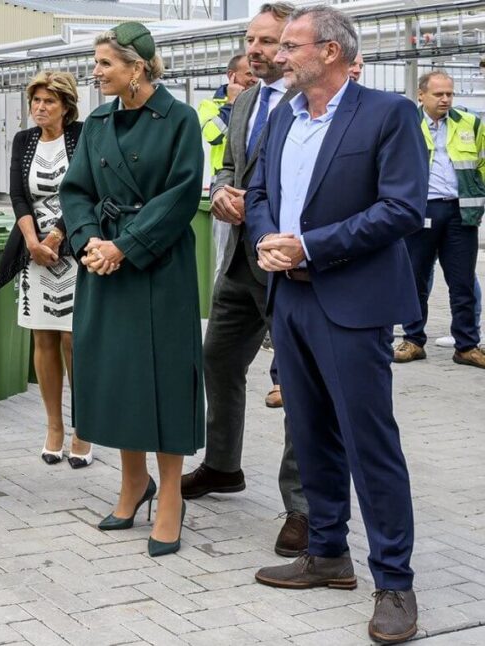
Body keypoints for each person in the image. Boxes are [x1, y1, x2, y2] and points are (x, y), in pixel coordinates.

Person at [246, 6, 423, 643]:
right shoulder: (282, 116)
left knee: (368, 441)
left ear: (329, 51)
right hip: (288, 297)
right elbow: (259, 190)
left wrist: (310, 246)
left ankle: (395, 583)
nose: (278, 56)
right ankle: (326, 554)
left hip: (350, 300)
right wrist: (268, 237)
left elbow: (402, 206)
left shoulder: (387, 113)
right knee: (309, 430)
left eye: (290, 46)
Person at [61, 22, 203, 554]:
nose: (95, 73)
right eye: (96, 64)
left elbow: (184, 193)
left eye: (104, 64)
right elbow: (75, 190)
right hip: (104, 264)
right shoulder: (97, 121)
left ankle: (169, 495)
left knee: (163, 377)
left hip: (157, 263)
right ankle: (131, 482)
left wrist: (127, 246)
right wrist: (91, 241)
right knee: (117, 375)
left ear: (137, 67)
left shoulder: (179, 119)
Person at [180, 2, 310, 558]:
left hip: (291, 264)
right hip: (239, 261)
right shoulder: (247, 101)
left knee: (298, 383)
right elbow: (231, 166)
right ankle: (223, 465)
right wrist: (221, 192)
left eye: (266, 41)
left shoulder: (313, 106)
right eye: (249, 39)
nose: (254, 50)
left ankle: (303, 507)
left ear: (291, 46)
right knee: (219, 359)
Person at [5, 70, 91, 468]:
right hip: (34, 251)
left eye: (48, 102)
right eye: (35, 101)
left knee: (74, 339)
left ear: (66, 106)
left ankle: (82, 428)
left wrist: (55, 238)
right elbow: (19, 195)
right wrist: (32, 243)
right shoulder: (24, 141)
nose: (40, 108)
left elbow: (88, 191)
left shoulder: (82, 136)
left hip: (72, 248)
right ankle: (54, 426)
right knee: (43, 339)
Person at [393, 71, 485, 369]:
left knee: (462, 282)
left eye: (449, 94)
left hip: (461, 212)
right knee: (415, 278)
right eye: (438, 94)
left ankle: (467, 345)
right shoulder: (407, 125)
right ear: (421, 95)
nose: (445, 99)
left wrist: (478, 194)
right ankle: (413, 340)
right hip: (421, 211)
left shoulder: (469, 123)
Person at [198, 54, 256, 181]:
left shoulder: (262, 103)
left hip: (254, 179)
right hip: (225, 182)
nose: (255, 79)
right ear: (231, 75)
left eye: (257, 74)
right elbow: (213, 136)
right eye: (249, 74)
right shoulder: (210, 104)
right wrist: (231, 103)